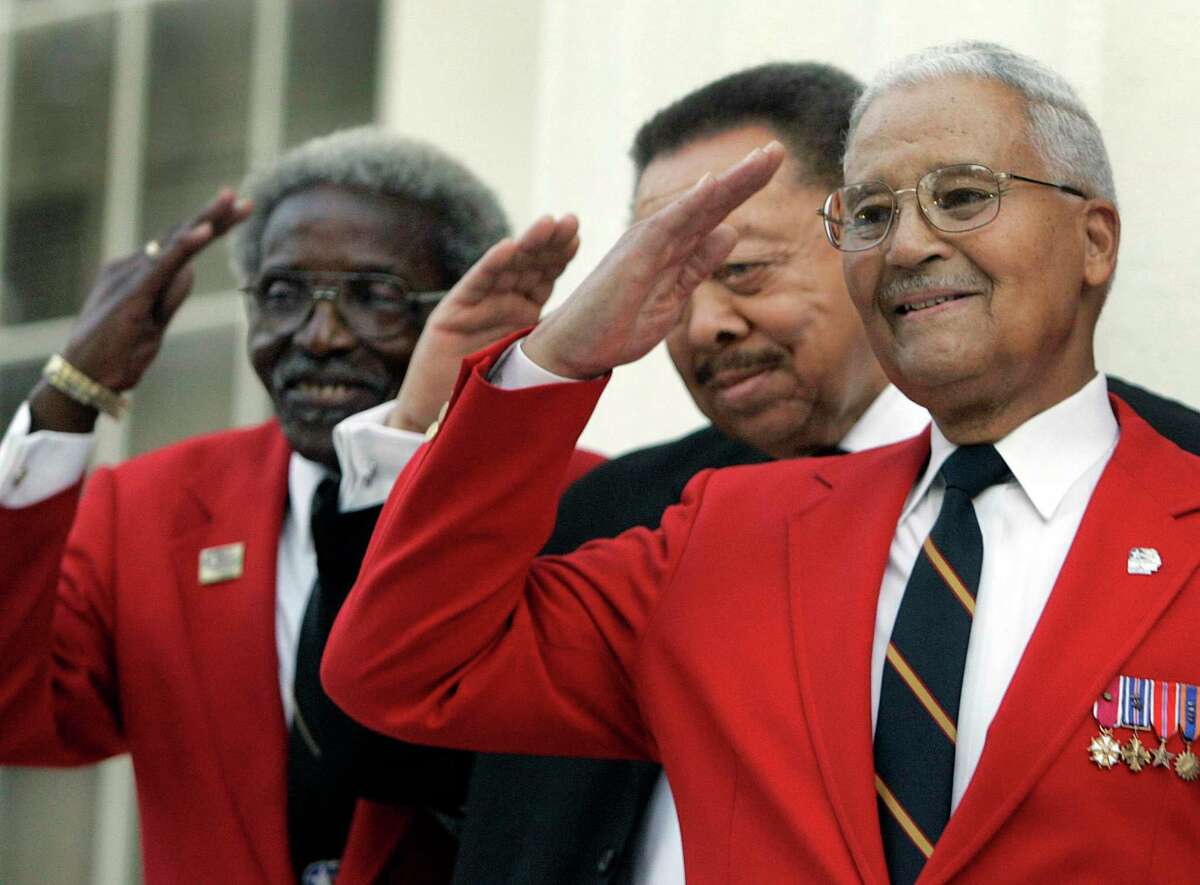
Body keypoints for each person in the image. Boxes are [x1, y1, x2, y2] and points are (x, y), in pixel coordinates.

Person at [325, 42, 1200, 884]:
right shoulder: (730, 529)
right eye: (870, 215)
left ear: (1094, 240)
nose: (905, 247)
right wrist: (557, 359)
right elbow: (404, 667)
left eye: (963, 196)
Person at [0, 126, 596, 884]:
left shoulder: (580, 502)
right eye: (282, 295)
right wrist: (70, 390)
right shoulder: (149, 507)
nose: (318, 336)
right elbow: (17, 715)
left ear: (466, 308)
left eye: (373, 296)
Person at [450, 61, 927, 885]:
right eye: (674, 285)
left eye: (742, 271)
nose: (706, 324)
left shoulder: (1040, 492)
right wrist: (453, 409)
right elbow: (402, 741)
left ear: (867, 238)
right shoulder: (610, 514)